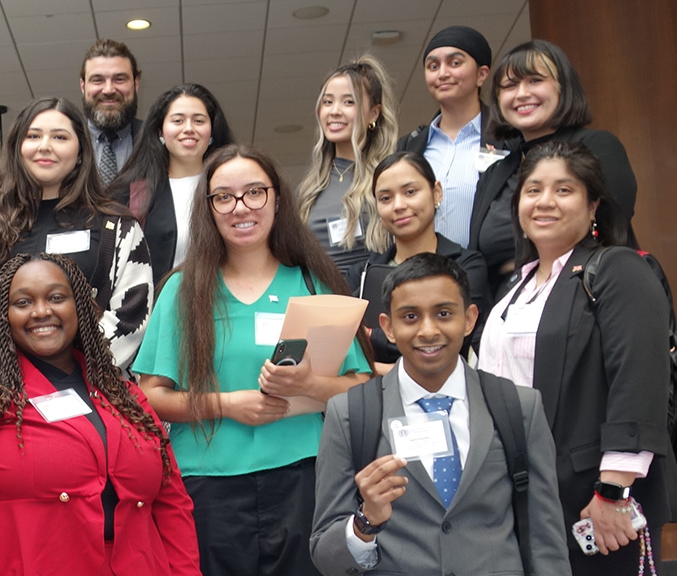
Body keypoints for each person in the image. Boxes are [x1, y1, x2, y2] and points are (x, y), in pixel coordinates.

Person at [133, 145, 373, 575]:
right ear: (207, 208)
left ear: (277, 200)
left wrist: (307, 386)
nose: (240, 207)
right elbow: (151, 396)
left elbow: (361, 386)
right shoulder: (183, 290)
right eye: (223, 196)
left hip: (304, 475)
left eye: (254, 192)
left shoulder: (310, 282)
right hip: (208, 484)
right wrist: (227, 405)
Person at [0, 253, 201, 575]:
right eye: (23, 302)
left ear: (78, 306)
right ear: (3, 316)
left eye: (56, 297)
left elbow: (172, 505)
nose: (42, 311)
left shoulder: (127, 397)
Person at [478, 141, 675, 575]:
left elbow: (639, 382)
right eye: (532, 191)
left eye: (564, 190)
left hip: (598, 502)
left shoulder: (618, 269)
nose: (544, 201)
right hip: (531, 495)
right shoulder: (513, 291)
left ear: (593, 208)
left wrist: (613, 492)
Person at [310, 253, 570, 575]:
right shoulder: (350, 414)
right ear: (388, 328)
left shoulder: (519, 407)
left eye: (444, 313)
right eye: (410, 317)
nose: (428, 331)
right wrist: (366, 520)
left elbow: (547, 541)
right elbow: (325, 556)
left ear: (470, 319)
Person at [0, 97, 152, 370]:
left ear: (81, 153)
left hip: (90, 392)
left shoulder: (119, 227)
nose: (45, 146)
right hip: (2, 394)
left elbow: (131, 317)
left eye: (60, 137)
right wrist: (13, 375)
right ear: (18, 148)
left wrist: (74, 376)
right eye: (34, 136)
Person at [470, 39, 638, 292]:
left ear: (563, 87)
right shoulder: (496, 172)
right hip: (508, 309)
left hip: (587, 298)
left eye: (535, 80)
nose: (522, 93)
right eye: (510, 85)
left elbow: (611, 228)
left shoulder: (598, 146)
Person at [347, 152, 489, 369]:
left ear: (436, 192)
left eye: (410, 192)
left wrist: (369, 337)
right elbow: (346, 345)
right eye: (386, 198)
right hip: (375, 399)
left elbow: (454, 342)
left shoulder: (467, 265)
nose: (399, 205)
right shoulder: (362, 274)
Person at [108, 83, 235, 283]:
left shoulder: (233, 187)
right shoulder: (134, 194)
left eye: (199, 120)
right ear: (160, 132)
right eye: (178, 120)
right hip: (157, 307)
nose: (189, 129)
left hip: (224, 301)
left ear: (212, 131)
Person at [396, 26, 503, 248]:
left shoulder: (506, 138)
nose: (442, 73)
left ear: (482, 74)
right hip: (425, 275)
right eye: (433, 66)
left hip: (489, 276)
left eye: (455, 63)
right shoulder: (410, 147)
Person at [296, 55, 399, 276]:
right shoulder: (309, 189)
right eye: (328, 101)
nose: (335, 110)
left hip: (373, 297)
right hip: (320, 301)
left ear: (374, 113)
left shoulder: (389, 177)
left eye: (348, 101)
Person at [80, 38, 143, 184]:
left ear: (136, 84)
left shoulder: (156, 140)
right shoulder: (66, 142)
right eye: (97, 80)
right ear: (83, 86)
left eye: (119, 79)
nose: (108, 90)